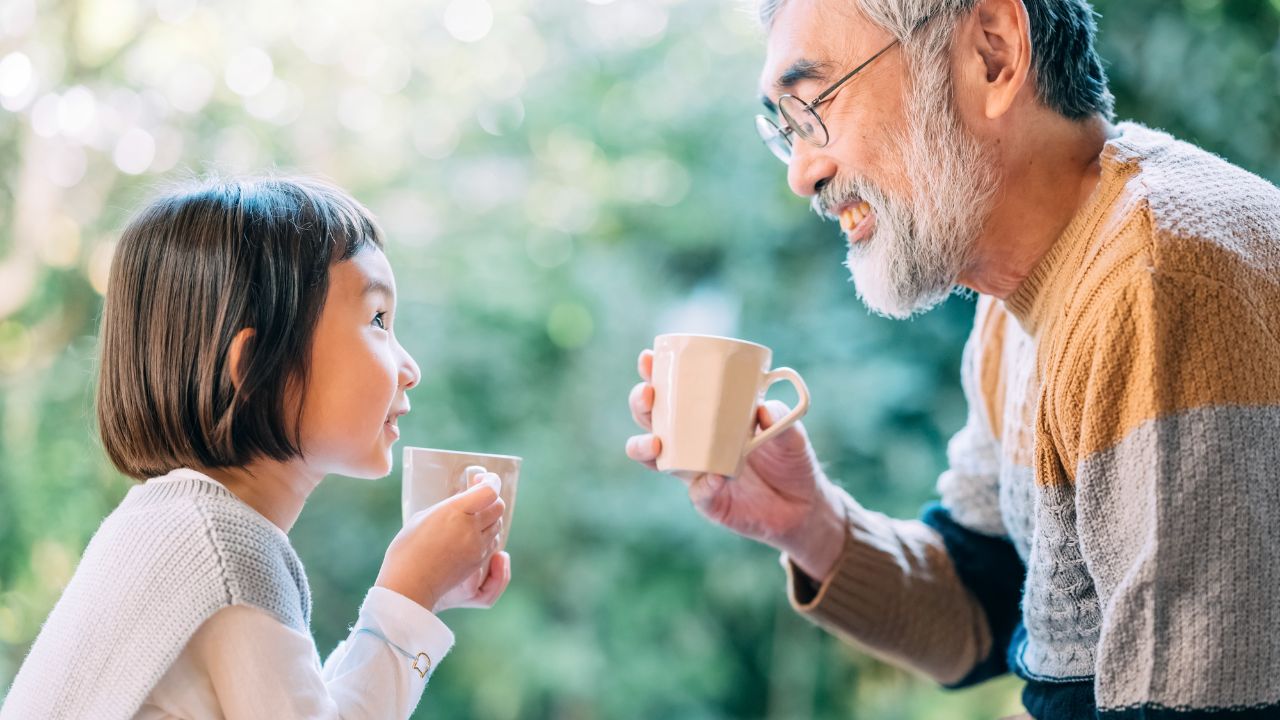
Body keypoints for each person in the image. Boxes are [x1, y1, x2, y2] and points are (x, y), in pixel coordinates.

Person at [626, 0, 1280, 717]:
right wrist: (809, 522)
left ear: (992, 54)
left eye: (816, 104)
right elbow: (986, 602)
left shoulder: (1157, 284)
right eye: (785, 130)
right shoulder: (1014, 303)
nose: (802, 173)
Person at [1, 177, 511, 719]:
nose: (411, 369)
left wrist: (424, 593)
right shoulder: (225, 550)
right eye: (378, 320)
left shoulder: (167, 530)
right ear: (259, 369)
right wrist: (408, 594)